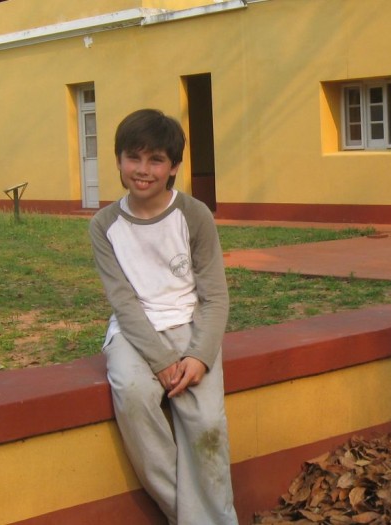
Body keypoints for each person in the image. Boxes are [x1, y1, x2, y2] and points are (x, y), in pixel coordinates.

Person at [89, 108, 238, 525]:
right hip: (134, 334)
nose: (143, 170)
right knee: (133, 394)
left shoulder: (194, 215)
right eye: (133, 157)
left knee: (206, 424)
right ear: (118, 160)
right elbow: (123, 302)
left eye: (155, 160)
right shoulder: (104, 225)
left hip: (190, 328)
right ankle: (188, 517)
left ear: (173, 166)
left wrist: (199, 356)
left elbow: (215, 297)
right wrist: (160, 361)